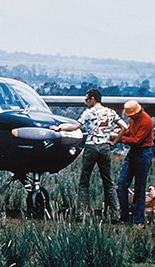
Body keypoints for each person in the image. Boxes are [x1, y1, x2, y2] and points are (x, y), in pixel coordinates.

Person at [50, 88, 127, 222]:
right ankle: (115, 214)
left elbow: (74, 127)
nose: (85, 102)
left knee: (84, 182)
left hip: (91, 147)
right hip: (104, 147)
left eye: (87, 99)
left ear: (93, 99)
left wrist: (59, 128)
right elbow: (124, 127)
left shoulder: (89, 113)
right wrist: (114, 142)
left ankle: (81, 213)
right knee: (108, 182)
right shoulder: (110, 112)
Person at [112, 100, 154, 225]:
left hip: (143, 154)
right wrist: (118, 133)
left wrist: (119, 139)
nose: (129, 118)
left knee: (140, 187)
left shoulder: (146, 121)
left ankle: (138, 219)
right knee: (122, 183)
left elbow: (136, 140)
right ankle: (123, 215)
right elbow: (131, 132)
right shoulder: (133, 119)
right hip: (133, 153)